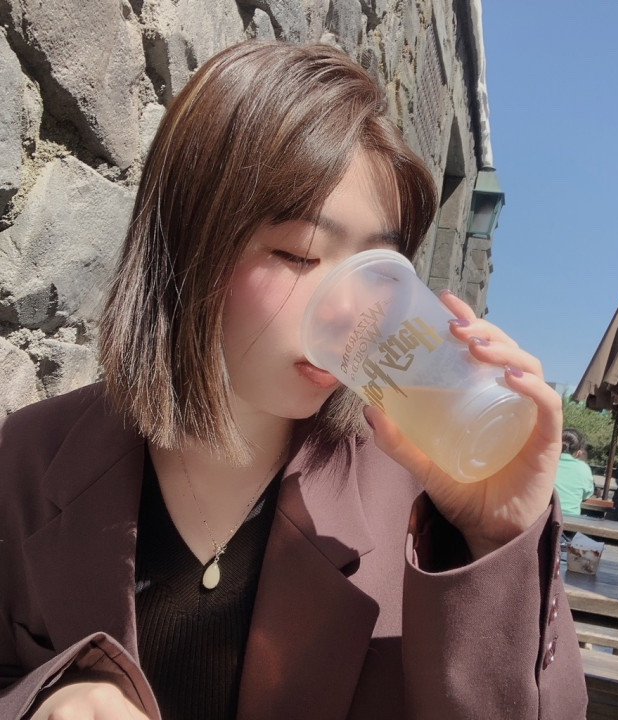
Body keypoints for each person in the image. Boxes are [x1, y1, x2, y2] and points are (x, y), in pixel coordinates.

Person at [0, 41, 586, 720]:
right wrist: (52, 693)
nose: (352, 311)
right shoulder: (32, 460)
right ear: (186, 241)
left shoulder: (420, 498)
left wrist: (498, 542)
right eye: (300, 254)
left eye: (378, 268)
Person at [553, 429, 595, 516]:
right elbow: (586, 494)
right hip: (571, 518)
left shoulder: (547, 464)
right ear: (579, 453)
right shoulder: (584, 468)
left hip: (546, 517)